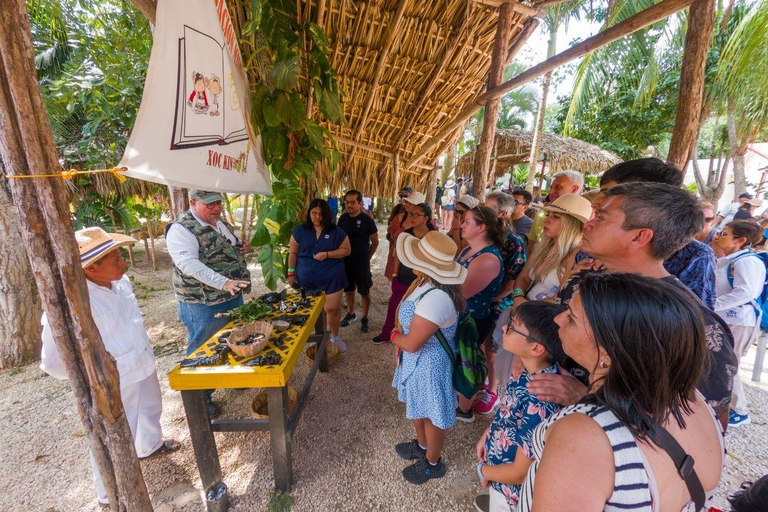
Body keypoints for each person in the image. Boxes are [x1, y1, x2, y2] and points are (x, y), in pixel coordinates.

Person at [518, 273, 724, 512]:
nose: (558, 319)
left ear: (608, 351)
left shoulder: (583, 436)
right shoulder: (696, 402)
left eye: (572, 318)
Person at [547, 183, 737, 427]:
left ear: (640, 236)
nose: (588, 223)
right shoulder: (583, 279)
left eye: (602, 217)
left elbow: (705, 425)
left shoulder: (695, 325)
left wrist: (588, 397)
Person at [40, 227, 179, 507]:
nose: (123, 262)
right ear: (91, 267)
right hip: (112, 377)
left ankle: (149, 446)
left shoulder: (120, 282)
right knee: (111, 435)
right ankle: (108, 493)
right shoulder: (74, 300)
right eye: (115, 259)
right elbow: (54, 360)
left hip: (140, 359)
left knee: (150, 408)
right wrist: (90, 377)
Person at [165, 189, 252, 417]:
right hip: (203, 302)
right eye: (210, 204)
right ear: (193, 202)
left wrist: (241, 248)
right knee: (203, 347)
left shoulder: (217, 222)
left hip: (231, 295)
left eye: (219, 203)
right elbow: (188, 264)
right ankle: (200, 399)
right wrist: (223, 283)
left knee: (233, 338)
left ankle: (232, 376)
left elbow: (228, 247)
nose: (216, 208)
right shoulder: (181, 229)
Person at [589, 158, 718, 309]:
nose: (595, 202)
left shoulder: (696, 255)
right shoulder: (594, 244)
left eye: (608, 194)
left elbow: (698, 319)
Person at [391, 231, 467, 484]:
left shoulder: (435, 297)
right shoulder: (426, 284)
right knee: (419, 407)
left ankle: (433, 462)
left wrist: (394, 337)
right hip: (420, 362)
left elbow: (412, 343)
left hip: (430, 364)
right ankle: (423, 446)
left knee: (433, 413)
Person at [474, 302, 565, 512]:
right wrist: (488, 434)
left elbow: (520, 472)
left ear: (536, 348)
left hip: (510, 493)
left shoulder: (541, 400)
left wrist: (483, 471)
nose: (504, 328)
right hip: (499, 470)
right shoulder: (528, 370)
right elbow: (508, 412)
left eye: (512, 327)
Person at [477, 191, 527, 415]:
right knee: (481, 345)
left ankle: (493, 390)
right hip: (481, 301)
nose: (482, 214)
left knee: (493, 351)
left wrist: (490, 300)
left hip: (499, 305)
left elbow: (512, 282)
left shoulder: (514, 242)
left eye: (488, 210)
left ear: (503, 214)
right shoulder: (487, 235)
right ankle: (484, 379)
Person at [712, 220, 766, 427]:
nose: (718, 236)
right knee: (721, 362)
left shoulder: (748, 262)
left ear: (740, 240)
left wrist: (713, 305)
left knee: (729, 364)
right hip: (727, 319)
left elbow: (747, 291)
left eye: (724, 234)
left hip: (740, 321)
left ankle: (740, 411)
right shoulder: (730, 259)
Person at [455, 206, 505, 422]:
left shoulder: (487, 259)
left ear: (481, 227)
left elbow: (460, 292)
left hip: (473, 321)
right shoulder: (468, 250)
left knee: (468, 363)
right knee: (459, 359)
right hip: (462, 316)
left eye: (466, 221)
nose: (461, 225)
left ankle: (464, 410)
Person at [288, 199, 351, 351]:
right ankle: (320, 336)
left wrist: (327, 254)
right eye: (314, 213)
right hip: (306, 280)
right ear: (309, 214)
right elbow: (293, 252)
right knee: (315, 310)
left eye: (321, 214)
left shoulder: (335, 231)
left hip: (332, 278)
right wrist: (291, 274)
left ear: (326, 215)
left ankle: (335, 336)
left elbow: (346, 250)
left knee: (332, 309)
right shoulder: (300, 231)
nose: (317, 217)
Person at [373, 202, 436, 344]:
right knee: (393, 308)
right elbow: (398, 256)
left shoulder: (433, 237)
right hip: (402, 278)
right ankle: (386, 333)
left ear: (426, 218)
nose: (412, 217)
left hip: (422, 282)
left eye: (416, 215)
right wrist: (395, 275)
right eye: (411, 214)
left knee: (418, 311)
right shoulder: (405, 235)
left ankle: (411, 336)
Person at [512, 194, 591, 303]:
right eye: (548, 214)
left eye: (556, 216)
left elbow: (559, 298)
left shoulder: (575, 255)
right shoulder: (543, 246)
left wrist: (524, 308)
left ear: (572, 224)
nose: (546, 220)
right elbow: (523, 277)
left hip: (541, 316)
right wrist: (517, 297)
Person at [337, 190, 379, 333]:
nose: (349, 205)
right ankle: (351, 314)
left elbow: (375, 242)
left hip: (362, 262)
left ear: (360, 203)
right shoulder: (342, 219)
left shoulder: (367, 220)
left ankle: (365, 318)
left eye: (353, 202)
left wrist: (368, 257)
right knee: (348, 290)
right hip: (345, 262)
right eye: (347, 202)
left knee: (364, 291)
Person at [527, 171, 583, 249]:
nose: (551, 192)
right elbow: (531, 246)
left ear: (574, 189)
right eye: (551, 187)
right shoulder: (541, 214)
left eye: (558, 187)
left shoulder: (583, 220)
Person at [385, 187, 415, 280]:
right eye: (401, 196)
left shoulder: (422, 219)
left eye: (405, 197)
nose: (403, 200)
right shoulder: (397, 210)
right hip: (396, 252)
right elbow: (391, 233)